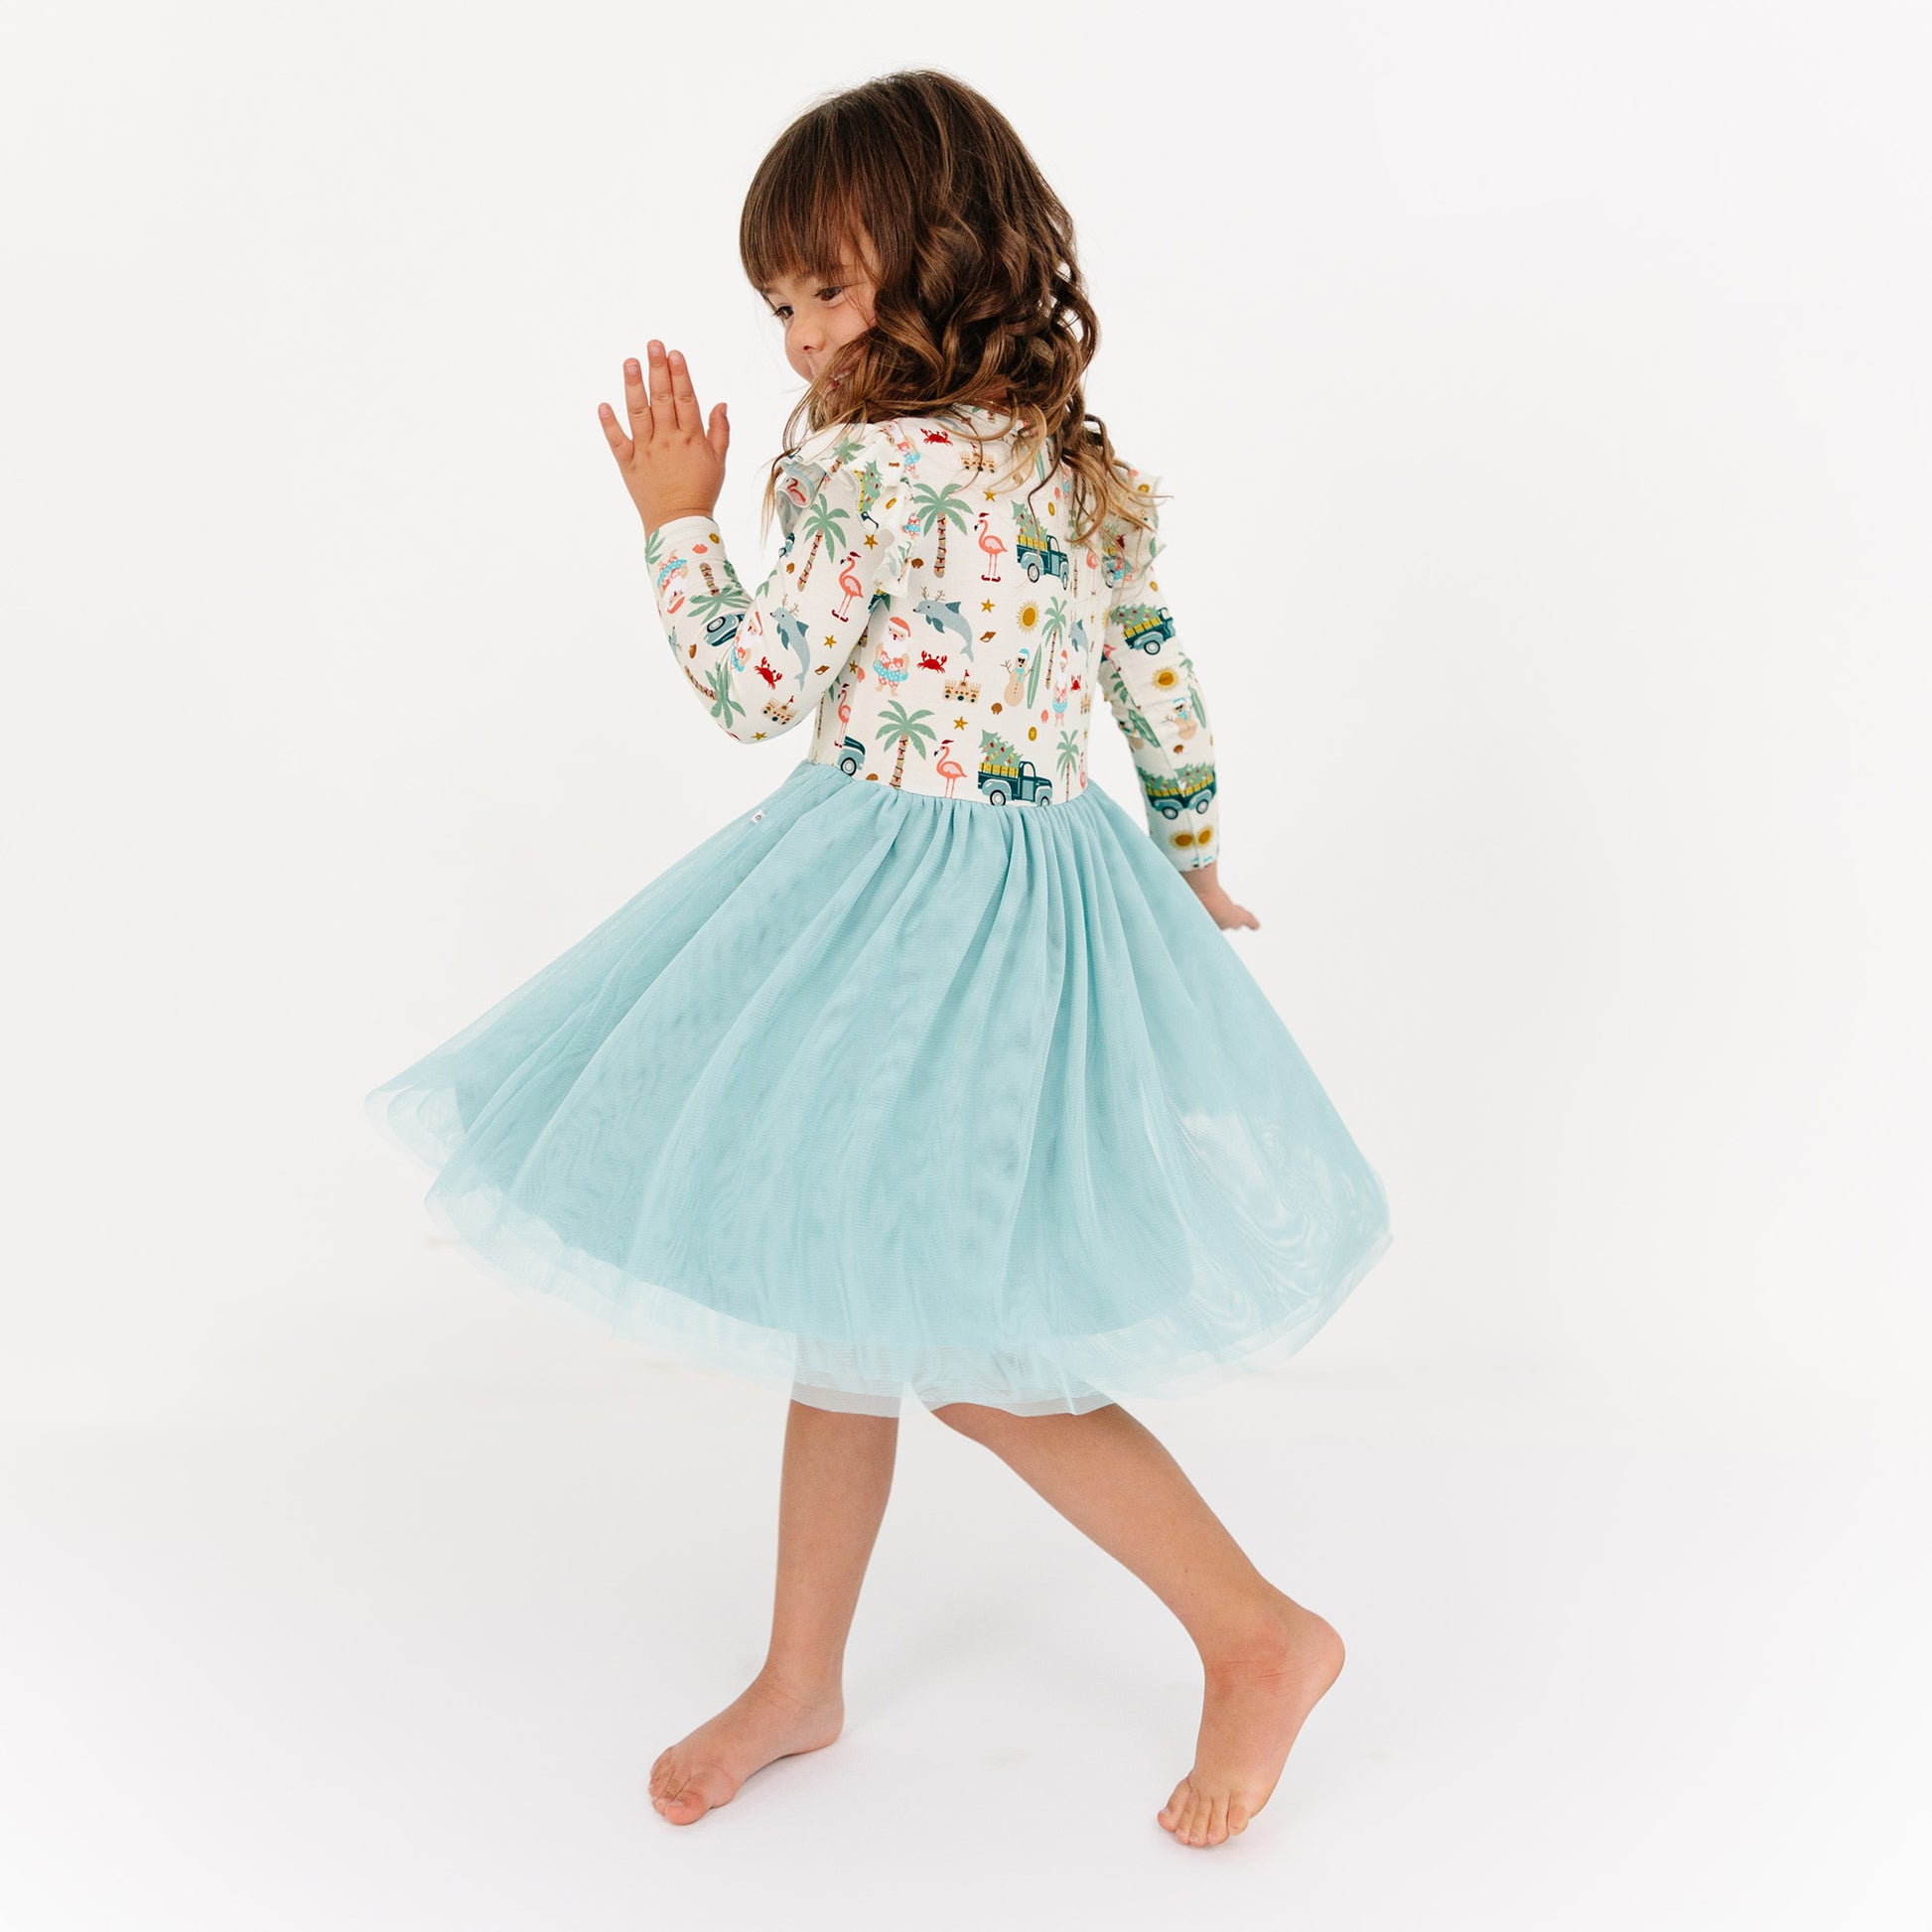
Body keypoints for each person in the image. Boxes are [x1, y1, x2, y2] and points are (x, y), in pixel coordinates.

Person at [367, 69, 1391, 1851]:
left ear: (945, 257)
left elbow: (755, 689)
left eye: (827, 290)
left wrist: (674, 522)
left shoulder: (854, 469)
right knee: (846, 1290)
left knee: (974, 1342)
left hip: (915, 906)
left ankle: (1258, 1631)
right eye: (778, 304)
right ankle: (801, 1675)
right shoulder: (1066, 453)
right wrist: (1190, 848)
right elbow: (1155, 671)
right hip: (1035, 891)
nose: (795, 339)